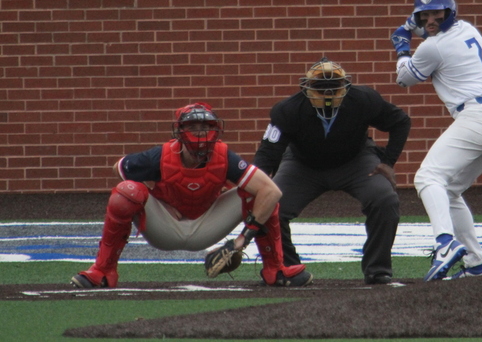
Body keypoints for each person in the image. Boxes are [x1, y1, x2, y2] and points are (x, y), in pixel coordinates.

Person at [70, 102, 312, 289]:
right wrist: (157, 197)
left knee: (260, 195)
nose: (201, 133)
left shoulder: (224, 156)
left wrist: (240, 241)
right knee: (127, 193)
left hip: (207, 224)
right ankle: (103, 270)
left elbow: (272, 191)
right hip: (165, 226)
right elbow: (119, 168)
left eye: (206, 127)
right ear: (180, 131)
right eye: (194, 127)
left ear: (216, 129)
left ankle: (275, 270)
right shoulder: (161, 156)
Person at [391, 0, 482, 281]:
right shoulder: (468, 29)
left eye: (437, 13)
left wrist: (401, 46)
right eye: (424, 15)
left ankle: (445, 243)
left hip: (477, 117)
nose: (431, 20)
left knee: (427, 177)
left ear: (449, 12)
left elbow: (404, 78)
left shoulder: (432, 47)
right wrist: (414, 28)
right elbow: (435, 36)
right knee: (449, 190)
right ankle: (475, 263)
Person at [253, 58, 411, 285]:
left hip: (355, 161)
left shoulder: (364, 99)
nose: (327, 91)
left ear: (346, 86)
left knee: (384, 199)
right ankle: (287, 267)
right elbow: (268, 152)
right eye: (319, 86)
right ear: (306, 87)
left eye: (334, 86)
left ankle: (378, 269)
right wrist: (257, 185)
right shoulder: (287, 110)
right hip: (302, 165)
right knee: (271, 205)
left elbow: (400, 121)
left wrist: (387, 162)